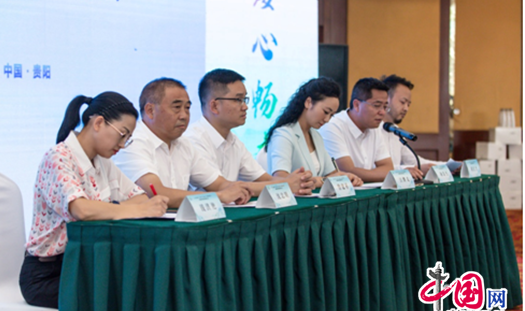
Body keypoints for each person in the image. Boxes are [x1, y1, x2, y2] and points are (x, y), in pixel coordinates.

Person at [19, 92, 169, 309]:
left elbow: (140, 197)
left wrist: (112, 208)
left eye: (127, 139)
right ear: (98, 123)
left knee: (140, 284)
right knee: (121, 295)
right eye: (122, 135)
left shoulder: (103, 162)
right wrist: (132, 210)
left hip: (84, 266)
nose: (122, 145)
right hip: (47, 275)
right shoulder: (58, 157)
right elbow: (82, 210)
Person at [113, 78, 252, 208]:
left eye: (187, 108)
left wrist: (236, 189)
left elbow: (218, 183)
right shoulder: (132, 142)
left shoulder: (184, 143)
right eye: (177, 107)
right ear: (150, 111)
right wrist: (220, 196)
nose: (184, 115)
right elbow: (157, 193)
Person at [185, 68, 316, 196]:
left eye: (245, 99)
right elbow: (225, 188)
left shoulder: (233, 140)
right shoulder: (194, 140)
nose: (245, 107)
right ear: (214, 106)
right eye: (238, 100)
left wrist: (299, 182)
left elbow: (265, 179)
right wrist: (286, 184)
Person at [264, 77, 363, 187]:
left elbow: (332, 174)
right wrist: (322, 181)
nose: (327, 119)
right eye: (326, 112)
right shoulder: (283, 135)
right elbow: (281, 178)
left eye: (331, 115)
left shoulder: (316, 135)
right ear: (308, 103)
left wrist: (347, 177)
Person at [319, 77, 410, 182]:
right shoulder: (332, 126)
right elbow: (346, 171)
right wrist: (379, 173)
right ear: (357, 105)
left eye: (385, 107)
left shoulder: (375, 127)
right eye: (377, 106)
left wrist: (369, 173)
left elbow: (388, 168)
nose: (382, 112)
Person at [381, 74, 444, 175]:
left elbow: (414, 161)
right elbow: (372, 168)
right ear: (386, 99)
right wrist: (404, 169)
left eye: (408, 104)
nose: (406, 108)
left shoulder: (397, 131)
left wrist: (448, 166)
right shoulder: (370, 129)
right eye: (403, 102)